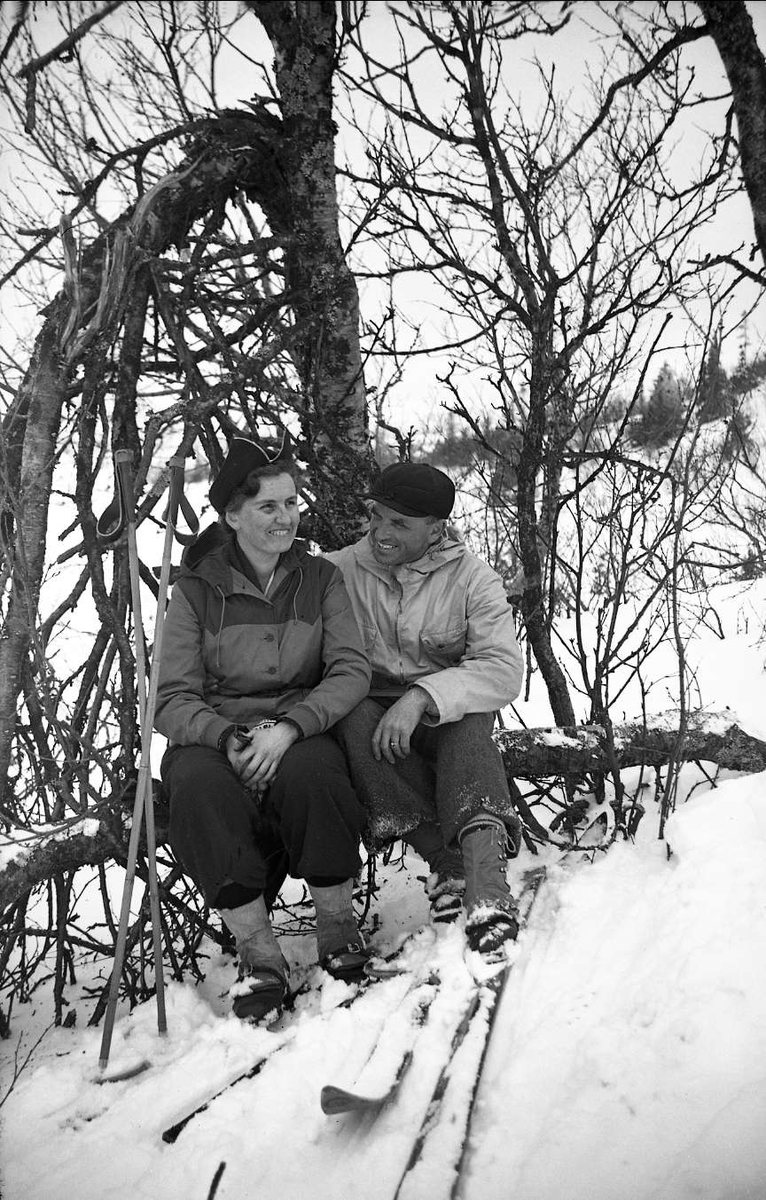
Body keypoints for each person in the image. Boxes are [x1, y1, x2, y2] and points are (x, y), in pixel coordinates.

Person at [155, 436, 372, 1022]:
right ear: (232, 515)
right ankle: (260, 955)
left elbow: (350, 670)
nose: (286, 519)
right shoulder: (196, 591)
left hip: (296, 727)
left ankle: (336, 927)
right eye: (268, 507)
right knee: (198, 791)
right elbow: (170, 697)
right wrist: (226, 737)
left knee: (317, 775)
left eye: (292, 503)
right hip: (213, 733)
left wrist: (292, 727)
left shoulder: (320, 578)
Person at [327, 461, 524, 957]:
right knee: (352, 720)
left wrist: (423, 697)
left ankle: (487, 887)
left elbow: (502, 670)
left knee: (471, 725)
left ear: (436, 529)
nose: (381, 532)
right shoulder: (338, 570)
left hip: (443, 716)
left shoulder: (473, 579)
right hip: (373, 716)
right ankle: (447, 862)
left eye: (400, 524)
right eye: (378, 516)